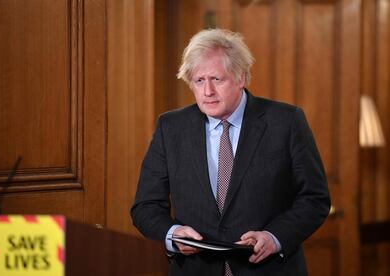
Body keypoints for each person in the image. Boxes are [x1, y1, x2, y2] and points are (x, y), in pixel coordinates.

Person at [131, 28, 330, 276]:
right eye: (198, 81)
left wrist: (274, 237)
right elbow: (145, 206)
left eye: (217, 79)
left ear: (241, 78)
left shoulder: (286, 121)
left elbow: (314, 198)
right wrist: (173, 234)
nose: (207, 92)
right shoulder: (170, 127)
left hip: (268, 269)